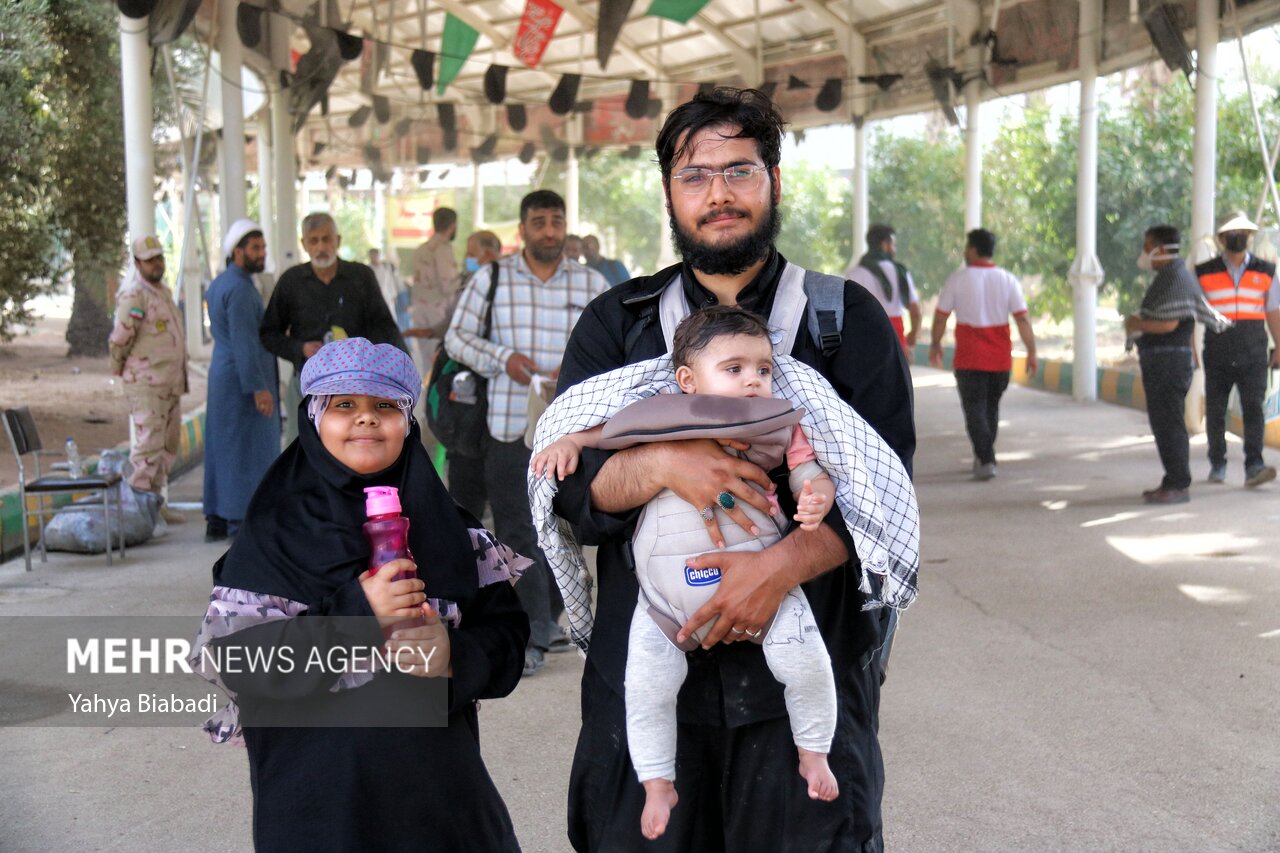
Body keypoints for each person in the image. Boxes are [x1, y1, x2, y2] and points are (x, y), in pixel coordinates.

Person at [550, 87, 915, 852]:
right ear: (669, 194)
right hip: (651, 680)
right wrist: (661, 463)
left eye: (739, 170)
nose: (718, 193)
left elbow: (882, 496)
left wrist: (773, 571)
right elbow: (575, 493)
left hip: (797, 690)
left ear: (775, 181)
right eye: (695, 175)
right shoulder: (616, 327)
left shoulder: (843, 325)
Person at [190, 337, 530, 851]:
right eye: (344, 404)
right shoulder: (272, 537)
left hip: (439, 806)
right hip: (317, 812)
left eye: (386, 406)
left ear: (409, 423)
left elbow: (506, 641)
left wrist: (455, 655)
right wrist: (358, 613)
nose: (366, 419)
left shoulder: (451, 533)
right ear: (313, 418)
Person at [534, 307, 842, 839]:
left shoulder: (777, 421)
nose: (753, 380)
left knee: (808, 663)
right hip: (662, 605)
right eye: (734, 368)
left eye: (764, 369)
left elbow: (812, 468)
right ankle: (657, 782)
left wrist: (817, 494)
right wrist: (568, 443)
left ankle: (813, 751)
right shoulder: (660, 413)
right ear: (687, 380)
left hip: (767, 585)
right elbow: (603, 434)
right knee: (647, 689)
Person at [443, 190, 610, 677]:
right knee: (518, 531)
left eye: (556, 221)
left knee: (569, 527)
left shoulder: (591, 283)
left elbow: (612, 350)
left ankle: (549, 618)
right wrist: (504, 361)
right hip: (508, 425)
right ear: (523, 230)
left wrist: (575, 372)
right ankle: (534, 629)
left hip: (574, 431)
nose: (549, 231)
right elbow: (457, 338)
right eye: (539, 222)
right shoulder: (492, 279)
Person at [260, 212, 407, 444]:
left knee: (355, 453)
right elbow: (269, 333)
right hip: (307, 386)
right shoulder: (291, 281)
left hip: (359, 388)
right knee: (302, 455)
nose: (321, 247)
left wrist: (398, 378)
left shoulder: (361, 277)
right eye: (314, 240)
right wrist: (301, 348)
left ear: (337, 241)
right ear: (304, 245)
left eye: (326, 239)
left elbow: (385, 328)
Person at [1125, 225, 1231, 504]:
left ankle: (1177, 484)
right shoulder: (1169, 278)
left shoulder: (1176, 279)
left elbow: (1170, 323)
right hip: (1164, 362)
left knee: (1169, 424)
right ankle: (1171, 480)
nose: (1145, 253)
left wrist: (1137, 323)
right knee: (1164, 423)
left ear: (1162, 250)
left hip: (1168, 364)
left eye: (1148, 247)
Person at [929, 228, 1038, 481]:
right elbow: (1022, 319)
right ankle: (984, 454)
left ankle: (986, 458)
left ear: (974, 249)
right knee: (990, 408)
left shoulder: (958, 279)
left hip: (969, 357)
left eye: (967, 247)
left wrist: (935, 343)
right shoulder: (1008, 280)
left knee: (975, 409)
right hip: (1000, 358)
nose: (965, 252)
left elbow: (940, 316)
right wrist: (1032, 351)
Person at [203, 219, 280, 542]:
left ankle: (217, 518)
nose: (261, 253)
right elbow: (245, 342)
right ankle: (240, 521)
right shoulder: (241, 290)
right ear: (238, 252)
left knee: (222, 448)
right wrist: (258, 388)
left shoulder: (222, 283)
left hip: (223, 375)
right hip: (241, 380)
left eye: (262, 247)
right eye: (255, 248)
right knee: (243, 452)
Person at [107, 235, 188, 525]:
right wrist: (119, 369)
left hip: (169, 382)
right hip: (147, 384)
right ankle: (138, 514)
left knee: (166, 445)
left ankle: (154, 505)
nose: (157, 264)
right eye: (150, 259)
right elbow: (121, 338)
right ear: (138, 262)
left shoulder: (162, 292)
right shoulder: (134, 295)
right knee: (148, 446)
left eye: (159, 257)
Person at [1195, 212, 1280, 488]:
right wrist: (1190, 349)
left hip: (1253, 351)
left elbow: (1273, 311)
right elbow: (1191, 312)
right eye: (1232, 233)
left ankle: (1254, 465)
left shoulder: (1265, 271)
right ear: (1221, 239)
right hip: (1217, 351)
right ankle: (1217, 463)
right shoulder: (1204, 271)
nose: (1238, 237)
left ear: (1250, 236)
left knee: (1254, 408)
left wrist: (1279, 345)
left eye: (1243, 232)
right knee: (1216, 410)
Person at [845, 223, 921, 357]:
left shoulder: (854, 273)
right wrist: (913, 334)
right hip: (895, 336)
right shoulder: (900, 272)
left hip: (866, 336)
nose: (894, 249)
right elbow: (915, 311)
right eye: (893, 244)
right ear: (884, 244)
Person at [410, 206, 460, 370]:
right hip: (438, 315)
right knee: (438, 364)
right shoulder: (443, 248)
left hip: (420, 313)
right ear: (452, 225)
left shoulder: (421, 249)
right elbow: (448, 286)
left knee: (426, 365)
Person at [367, 247, 405, 327]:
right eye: (372, 256)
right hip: (374, 300)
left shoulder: (385, 268)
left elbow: (390, 283)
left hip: (388, 297)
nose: (374, 258)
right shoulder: (367, 270)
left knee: (390, 318)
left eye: (376, 256)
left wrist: (393, 295)